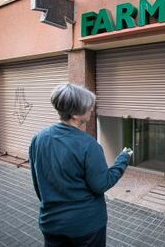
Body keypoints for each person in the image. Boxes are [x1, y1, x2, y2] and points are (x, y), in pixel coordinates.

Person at [29, 83, 133, 247]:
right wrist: (123, 159)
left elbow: (37, 183)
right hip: (86, 227)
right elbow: (101, 184)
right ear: (76, 115)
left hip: (51, 224)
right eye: (89, 107)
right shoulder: (88, 145)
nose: (92, 110)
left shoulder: (39, 138)